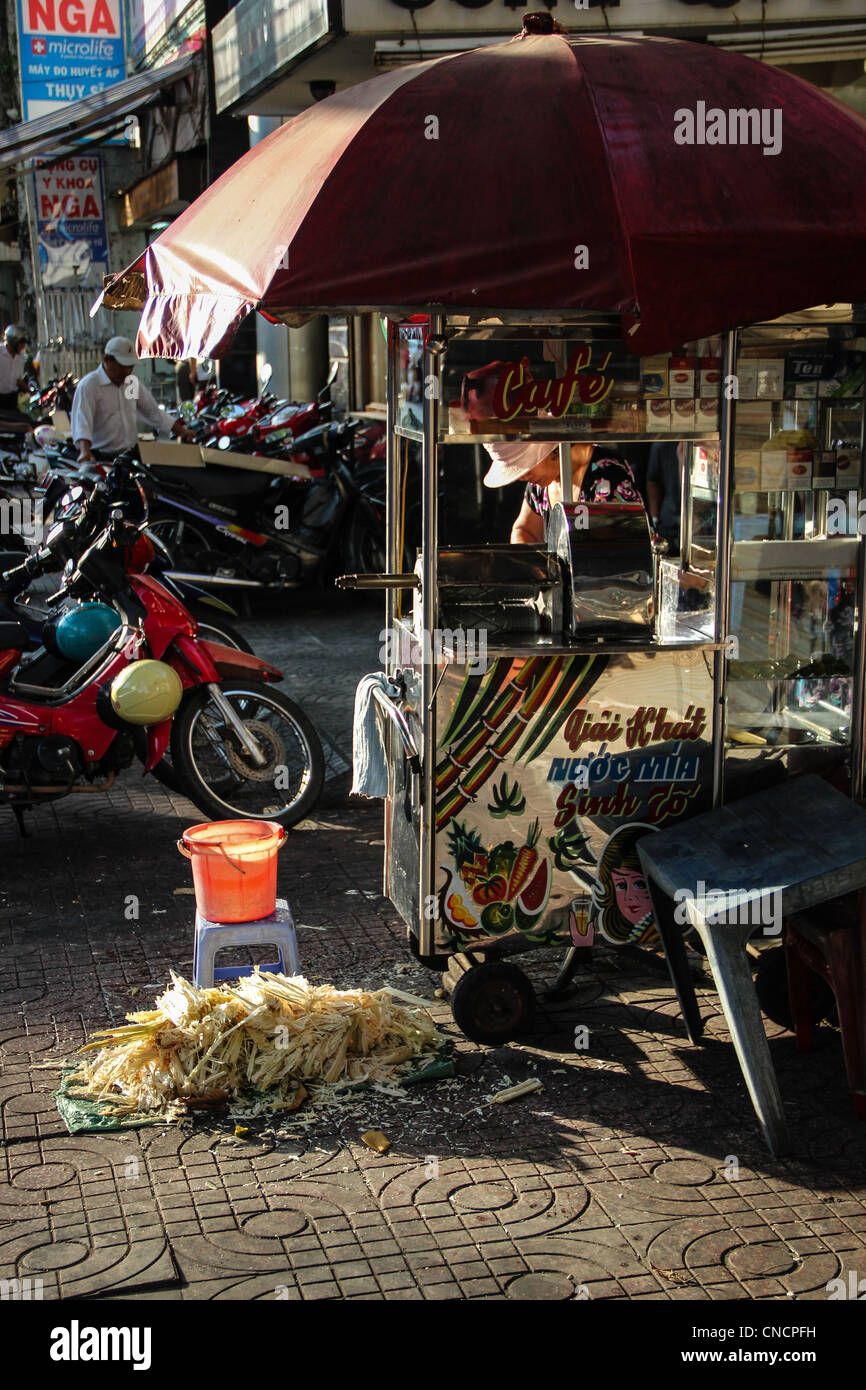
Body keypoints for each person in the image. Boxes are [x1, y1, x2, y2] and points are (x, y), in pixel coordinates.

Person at [483, 439, 643, 544]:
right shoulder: (539, 486)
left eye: (525, 466)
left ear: (551, 451)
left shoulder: (609, 477)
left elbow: (623, 548)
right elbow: (524, 530)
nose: (522, 477)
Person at [71, 336, 192, 463]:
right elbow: (82, 421)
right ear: (107, 360)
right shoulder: (90, 385)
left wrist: (182, 432)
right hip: (101, 457)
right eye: (122, 366)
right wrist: (84, 451)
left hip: (128, 455)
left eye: (130, 367)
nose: (127, 371)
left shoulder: (131, 383)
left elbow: (152, 412)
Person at [646, 441, 683, 553]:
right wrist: (654, 520)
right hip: (668, 524)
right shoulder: (662, 445)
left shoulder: (706, 445)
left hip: (701, 526)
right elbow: (652, 481)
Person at [0, 325, 30, 413]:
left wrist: (30, 391)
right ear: (13, 341)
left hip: (12, 399)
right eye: (21, 343)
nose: (23, 347)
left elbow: (18, 379)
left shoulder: (21, 358)